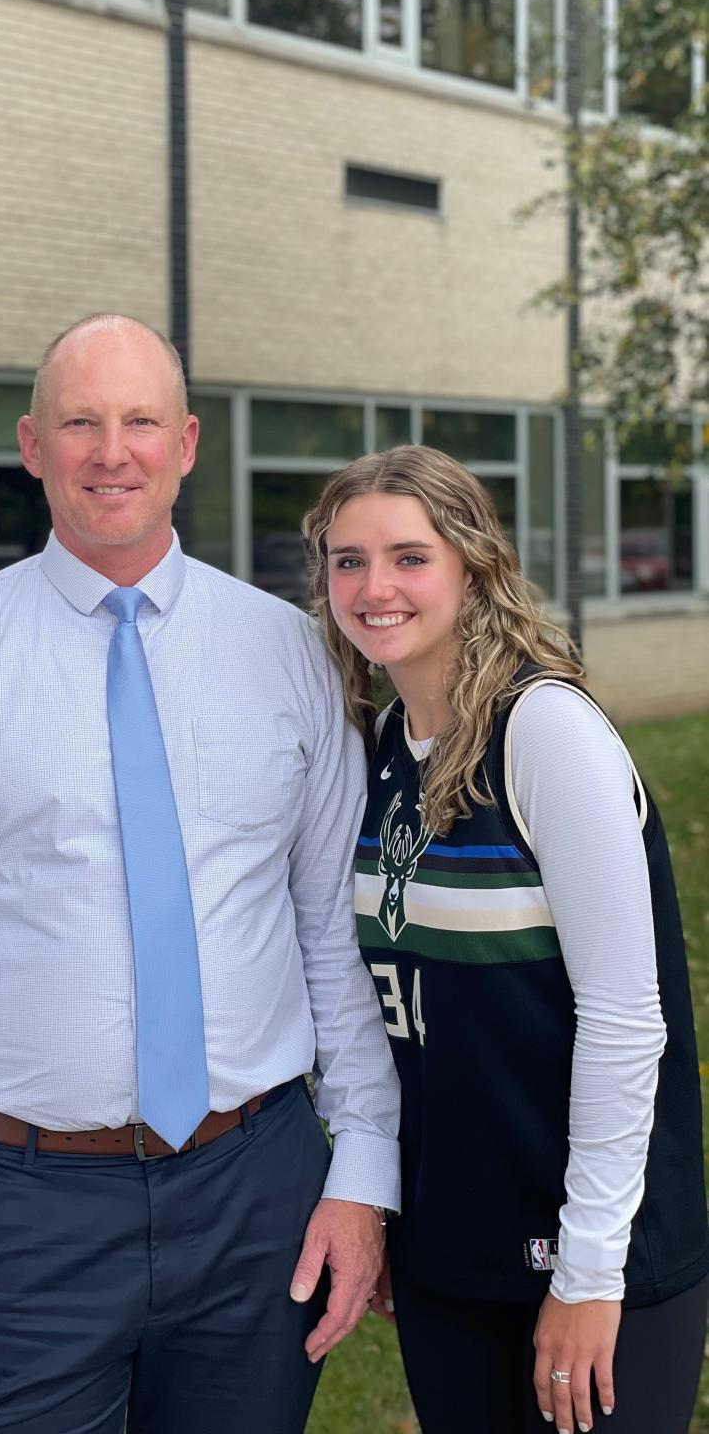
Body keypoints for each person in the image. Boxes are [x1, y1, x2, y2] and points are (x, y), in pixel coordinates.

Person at [0, 314, 400, 1434]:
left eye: (139, 421)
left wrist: (362, 1164)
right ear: (33, 447)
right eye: (80, 422)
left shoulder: (291, 653)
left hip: (255, 1192)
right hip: (15, 1209)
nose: (111, 451)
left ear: (186, 443)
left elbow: (332, 924)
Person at [300, 445, 709, 1434]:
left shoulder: (545, 730)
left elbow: (625, 1019)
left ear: (474, 566)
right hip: (452, 1254)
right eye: (347, 561)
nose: (373, 586)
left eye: (408, 556)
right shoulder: (389, 740)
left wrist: (586, 1271)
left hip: (588, 1258)